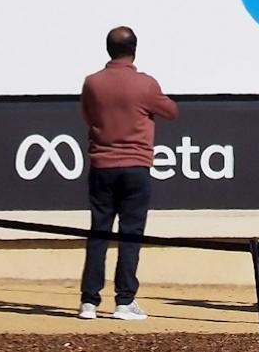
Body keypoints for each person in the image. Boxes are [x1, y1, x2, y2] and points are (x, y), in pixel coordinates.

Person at [78, 27, 179, 322]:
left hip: (102, 166)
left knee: (98, 233)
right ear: (134, 49)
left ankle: (89, 302)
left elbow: (88, 115)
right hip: (135, 168)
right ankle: (124, 302)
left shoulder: (93, 83)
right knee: (131, 235)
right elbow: (171, 111)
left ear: (107, 49)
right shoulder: (145, 84)